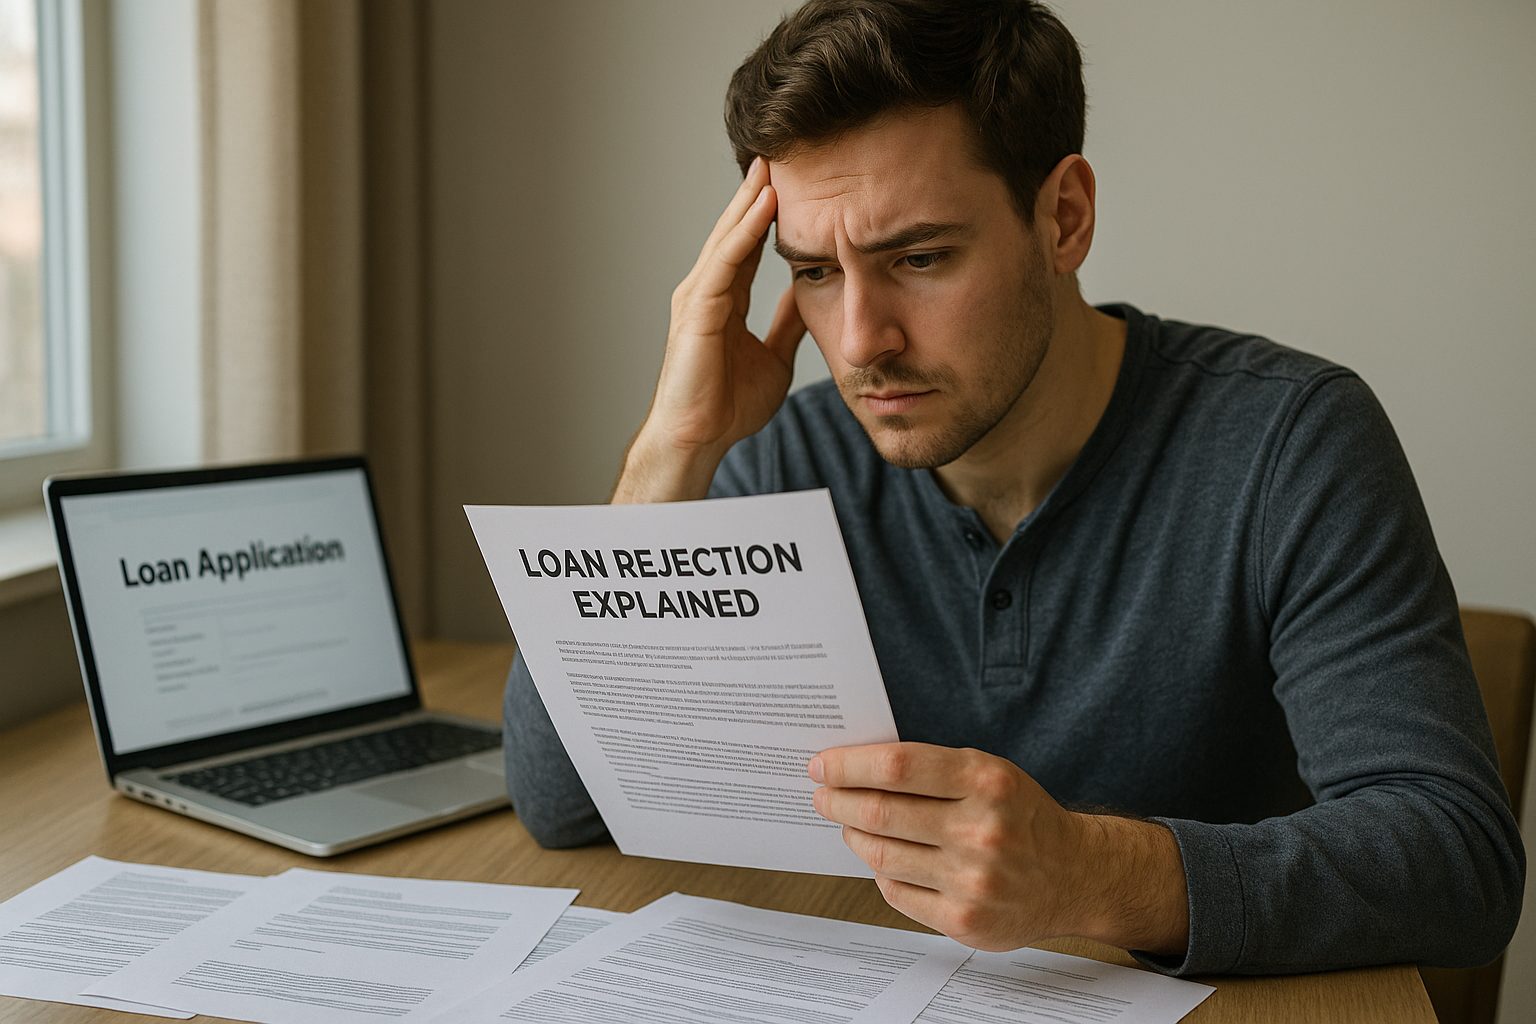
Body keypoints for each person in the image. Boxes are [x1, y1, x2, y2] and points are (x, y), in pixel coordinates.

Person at [502, 0, 1524, 975]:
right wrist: (670, 451)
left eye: (921, 256)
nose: (860, 343)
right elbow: (560, 799)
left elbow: (1456, 863)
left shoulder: (1288, 442)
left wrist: (1090, 875)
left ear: (1065, 217)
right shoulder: (780, 455)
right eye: (813, 271)